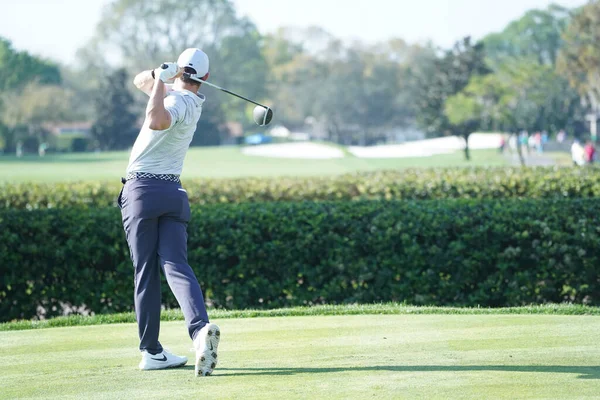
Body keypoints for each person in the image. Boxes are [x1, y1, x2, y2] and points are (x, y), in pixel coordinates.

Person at [117, 48, 220, 377]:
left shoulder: (177, 102)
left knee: (145, 271)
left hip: (142, 192)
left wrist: (164, 79)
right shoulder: (186, 99)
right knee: (175, 264)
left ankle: (151, 350)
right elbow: (140, 81)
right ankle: (198, 330)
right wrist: (161, 76)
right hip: (173, 193)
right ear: (204, 78)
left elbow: (156, 119)